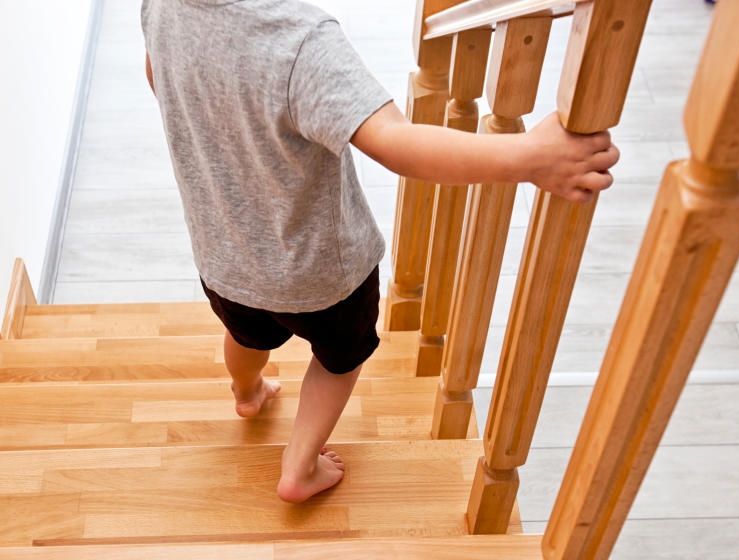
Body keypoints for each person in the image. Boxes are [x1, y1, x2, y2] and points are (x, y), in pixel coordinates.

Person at [141, 0, 619, 504]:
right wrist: (529, 157)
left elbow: (157, 74)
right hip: (322, 274)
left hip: (224, 257)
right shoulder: (302, 42)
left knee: (244, 330)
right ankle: (299, 467)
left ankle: (247, 392)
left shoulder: (162, 8)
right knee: (338, 361)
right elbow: (394, 142)